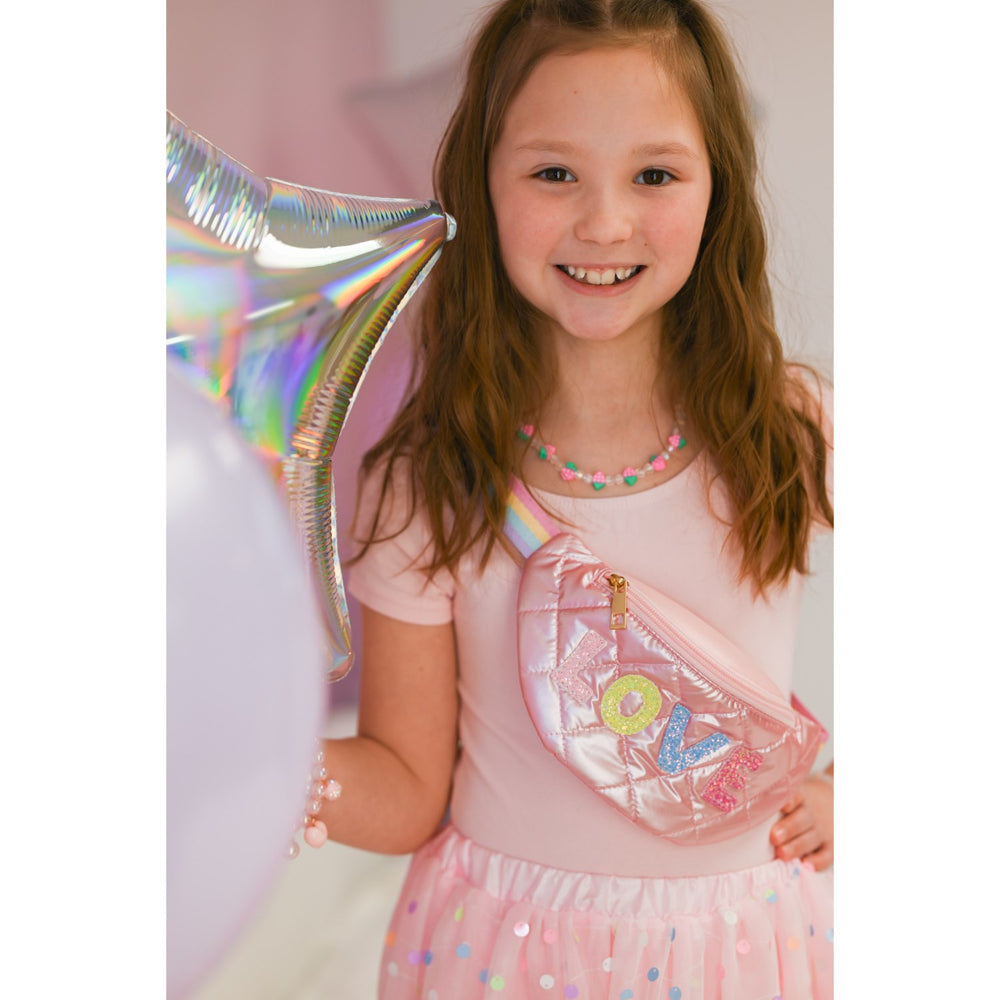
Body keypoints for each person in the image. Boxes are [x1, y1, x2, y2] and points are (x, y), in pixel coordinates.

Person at [316, 1, 834, 997]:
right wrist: (258, 769)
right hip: (501, 955)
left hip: (742, 951)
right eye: (553, 173)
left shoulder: (788, 428)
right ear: (484, 184)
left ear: (718, 187)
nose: (604, 223)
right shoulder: (428, 479)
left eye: (655, 175)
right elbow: (407, 786)